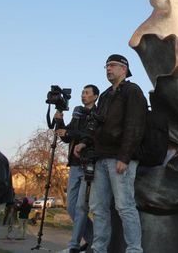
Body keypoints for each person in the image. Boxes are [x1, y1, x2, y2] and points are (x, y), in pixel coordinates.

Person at [75, 54, 147, 253]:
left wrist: (125, 156)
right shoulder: (106, 95)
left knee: (125, 207)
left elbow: (135, 126)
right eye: (106, 66)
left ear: (124, 69)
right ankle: (99, 248)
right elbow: (96, 122)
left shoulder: (133, 91)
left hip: (120, 158)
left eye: (113, 66)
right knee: (98, 208)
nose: (108, 69)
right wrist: (84, 141)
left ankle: (134, 250)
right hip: (101, 157)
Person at [55, 84, 99, 252]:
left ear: (95, 96)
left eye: (87, 93)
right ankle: (93, 239)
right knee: (71, 207)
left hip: (88, 165)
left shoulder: (97, 114)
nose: (83, 95)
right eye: (82, 93)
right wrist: (59, 121)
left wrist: (70, 133)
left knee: (81, 207)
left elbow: (90, 135)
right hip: (74, 165)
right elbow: (68, 136)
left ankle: (73, 245)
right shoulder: (77, 112)